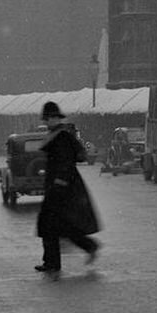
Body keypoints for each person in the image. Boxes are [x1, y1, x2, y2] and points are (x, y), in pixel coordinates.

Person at [35, 102, 101, 277]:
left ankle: (55, 262)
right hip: (61, 187)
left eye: (49, 118)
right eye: (47, 118)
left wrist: (58, 184)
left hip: (62, 188)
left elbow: (65, 163)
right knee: (58, 226)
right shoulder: (58, 135)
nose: (47, 122)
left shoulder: (61, 137)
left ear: (55, 118)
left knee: (57, 225)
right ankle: (52, 262)